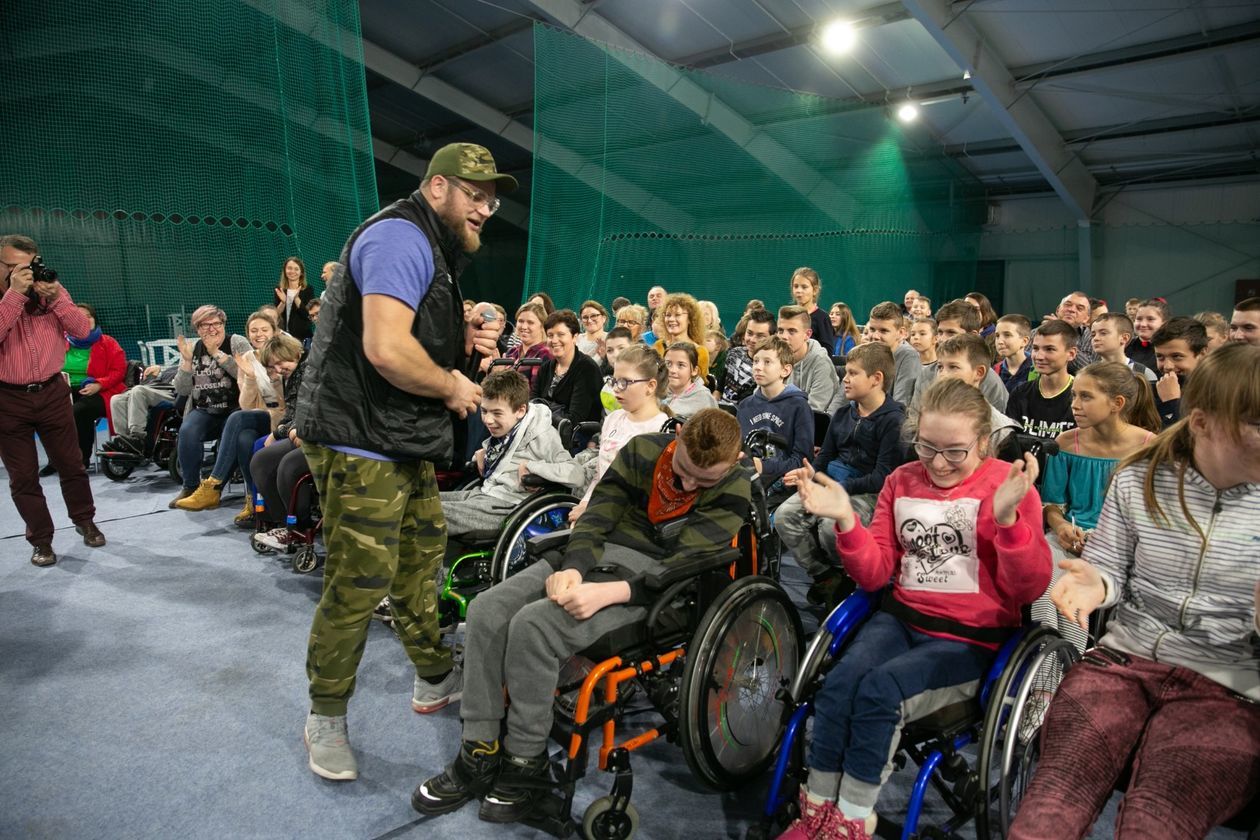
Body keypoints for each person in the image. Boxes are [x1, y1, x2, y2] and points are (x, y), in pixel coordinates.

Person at [412, 409, 751, 823]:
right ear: (676, 437)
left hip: (657, 588)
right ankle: (479, 749)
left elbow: (687, 562)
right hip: (594, 558)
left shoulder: (735, 486)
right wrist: (572, 567)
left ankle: (525, 763)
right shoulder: (643, 450)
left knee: (534, 626)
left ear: (732, 463)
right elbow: (597, 517)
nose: (689, 484)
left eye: (705, 479)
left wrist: (613, 592)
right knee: (487, 609)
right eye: (683, 468)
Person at [292, 141, 510, 782]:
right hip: (360, 440)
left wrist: (452, 340)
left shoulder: (428, 245)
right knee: (361, 578)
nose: (486, 209)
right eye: (475, 194)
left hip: (394, 437)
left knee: (421, 554)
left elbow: (401, 336)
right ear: (437, 187)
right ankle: (326, 714)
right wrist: (450, 384)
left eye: (492, 200)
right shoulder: (401, 239)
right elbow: (386, 349)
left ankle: (434, 675)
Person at [1009, 342, 1260, 840]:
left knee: (1157, 821)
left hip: (1231, 687)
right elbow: (1108, 570)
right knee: (1051, 805)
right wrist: (1095, 583)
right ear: (1204, 422)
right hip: (1124, 662)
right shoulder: (1138, 480)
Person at [781, 378, 1049, 840]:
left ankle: (850, 819)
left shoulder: (1008, 487)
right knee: (839, 684)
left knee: (881, 690)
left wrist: (1007, 521)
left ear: (983, 443)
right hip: (900, 620)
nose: (939, 463)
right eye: (926, 447)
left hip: (970, 638)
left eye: (955, 452)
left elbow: (1027, 589)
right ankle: (818, 809)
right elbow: (874, 574)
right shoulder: (901, 481)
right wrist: (847, 520)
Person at [1032, 362, 1159, 652]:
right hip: (1068, 540)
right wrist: (1062, 526)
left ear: (1117, 404)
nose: (1075, 405)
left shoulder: (1150, 448)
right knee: (1044, 586)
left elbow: (1153, 515)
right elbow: (1051, 505)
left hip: (1122, 546)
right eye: (1074, 396)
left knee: (1077, 592)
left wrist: (1102, 538)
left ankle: (1068, 666)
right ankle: (1047, 678)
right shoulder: (1064, 443)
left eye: (1085, 397)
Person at [0, 234, 105, 566]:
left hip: (52, 391)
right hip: (8, 398)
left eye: (30, 266)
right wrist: (15, 295)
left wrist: (58, 297)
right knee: (24, 476)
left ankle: (85, 521)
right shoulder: (10, 295)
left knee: (71, 464)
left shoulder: (49, 290)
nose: (27, 274)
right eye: (16, 267)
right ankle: (41, 540)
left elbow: (82, 332)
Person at [776, 342, 905, 609]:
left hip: (867, 493)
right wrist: (812, 478)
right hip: (835, 484)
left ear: (876, 379)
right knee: (784, 517)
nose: (844, 379)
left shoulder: (894, 421)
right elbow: (824, 458)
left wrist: (837, 488)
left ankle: (853, 575)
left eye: (853, 373)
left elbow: (881, 478)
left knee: (829, 527)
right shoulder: (843, 413)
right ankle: (827, 577)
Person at [440, 370, 576, 554]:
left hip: (507, 507)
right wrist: (483, 453)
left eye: (496, 413)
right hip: (484, 494)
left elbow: (575, 472)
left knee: (430, 514)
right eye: (484, 411)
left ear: (520, 410)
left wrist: (532, 467)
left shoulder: (541, 434)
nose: (488, 420)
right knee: (422, 500)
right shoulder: (510, 425)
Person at [175, 314, 291, 517]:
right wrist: (251, 378)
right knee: (243, 439)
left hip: (283, 418)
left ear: (275, 331)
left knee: (237, 420)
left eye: (264, 330)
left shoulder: (285, 354)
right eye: (254, 331)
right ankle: (252, 502)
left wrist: (218, 354)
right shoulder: (247, 358)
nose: (259, 334)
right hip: (248, 415)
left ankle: (213, 485)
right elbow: (246, 404)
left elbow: (283, 402)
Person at [566, 344, 669, 521]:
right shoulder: (613, 419)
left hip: (628, 519)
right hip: (598, 507)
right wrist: (585, 503)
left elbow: (645, 494)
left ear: (651, 386)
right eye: (614, 381)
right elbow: (600, 475)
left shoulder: (661, 429)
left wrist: (595, 512)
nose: (616, 389)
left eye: (625, 382)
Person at [169, 305, 253, 508]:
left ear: (223, 324)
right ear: (197, 329)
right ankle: (190, 486)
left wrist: (217, 353)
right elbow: (182, 388)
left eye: (216, 323)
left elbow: (248, 375)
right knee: (187, 430)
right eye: (205, 325)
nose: (212, 329)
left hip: (235, 409)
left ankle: (214, 489)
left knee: (232, 434)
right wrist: (187, 362)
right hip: (205, 409)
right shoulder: (194, 348)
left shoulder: (236, 342)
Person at [249, 334, 315, 548]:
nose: (278, 370)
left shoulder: (311, 368)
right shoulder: (293, 374)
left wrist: (280, 432)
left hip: (318, 433)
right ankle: (281, 522)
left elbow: (311, 409)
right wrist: (279, 430)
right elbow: (291, 412)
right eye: (272, 366)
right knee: (261, 460)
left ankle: (299, 527)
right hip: (298, 431)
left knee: (288, 466)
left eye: (280, 363)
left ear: (296, 353)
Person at [736, 336, 813, 505]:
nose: (758, 367)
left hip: (782, 484)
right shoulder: (745, 405)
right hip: (747, 480)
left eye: (767, 362)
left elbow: (801, 460)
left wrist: (764, 467)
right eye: (756, 361)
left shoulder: (799, 406)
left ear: (785, 370)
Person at [60, 303, 126, 471]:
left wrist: (99, 384)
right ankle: (56, 461)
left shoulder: (108, 343)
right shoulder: (59, 342)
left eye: (88, 316)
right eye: (79, 317)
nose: (84, 320)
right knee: (48, 412)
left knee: (79, 411)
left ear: (94, 320)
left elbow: (118, 371)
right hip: (64, 390)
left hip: (102, 392)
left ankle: (81, 460)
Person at [935, 334, 1022, 460]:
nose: (942, 375)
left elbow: (1009, 477)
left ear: (979, 372)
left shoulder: (999, 432)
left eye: (953, 367)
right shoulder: (930, 417)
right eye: (940, 367)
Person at [920, 301, 1009, 411]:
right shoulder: (926, 374)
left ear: (973, 335)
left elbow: (996, 424)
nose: (942, 339)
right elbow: (915, 418)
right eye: (940, 332)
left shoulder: (991, 382)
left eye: (951, 333)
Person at [1005, 319, 1078, 441]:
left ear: (1071, 353)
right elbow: (1010, 443)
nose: (1039, 356)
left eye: (1049, 349)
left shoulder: (1081, 397)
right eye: (1035, 348)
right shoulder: (1020, 393)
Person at [533, 309, 603, 425]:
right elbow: (532, 403)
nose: (554, 340)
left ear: (575, 337)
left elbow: (575, 418)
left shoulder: (587, 369)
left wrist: (542, 415)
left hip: (576, 437)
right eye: (550, 335)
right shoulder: (545, 368)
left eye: (561, 334)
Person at [103, 360, 180, 454]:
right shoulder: (169, 370)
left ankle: (138, 438)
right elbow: (149, 385)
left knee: (138, 391)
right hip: (155, 389)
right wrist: (153, 375)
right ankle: (124, 440)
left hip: (172, 393)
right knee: (116, 399)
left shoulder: (193, 368)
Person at [779, 304, 842, 415]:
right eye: (780, 331)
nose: (784, 337)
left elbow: (812, 414)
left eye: (792, 331)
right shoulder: (775, 357)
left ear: (807, 334)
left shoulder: (821, 364)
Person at [1152, 316, 1209, 427]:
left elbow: (1187, 441)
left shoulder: (1219, 391)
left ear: (1202, 353)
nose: (1167, 366)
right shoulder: (1154, 390)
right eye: (1160, 357)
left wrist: (1171, 402)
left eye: (1177, 356)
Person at [861, 301, 920, 407]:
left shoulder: (909, 357)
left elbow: (901, 405)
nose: (875, 336)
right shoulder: (864, 352)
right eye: (872, 329)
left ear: (901, 333)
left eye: (883, 331)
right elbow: (842, 398)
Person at [721, 308, 775, 403]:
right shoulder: (734, 353)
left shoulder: (772, 368)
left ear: (772, 337)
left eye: (760, 336)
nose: (752, 340)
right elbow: (721, 383)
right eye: (749, 333)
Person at [652, 293, 710, 378]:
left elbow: (699, 385)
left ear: (690, 319)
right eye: (668, 315)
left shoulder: (700, 352)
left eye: (677, 315)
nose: (671, 319)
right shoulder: (658, 346)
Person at [1090, 312, 1157, 385]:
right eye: (1093, 335)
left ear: (1124, 338)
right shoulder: (1088, 373)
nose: (1095, 338)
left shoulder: (1144, 374)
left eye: (1103, 333)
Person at [502, 302, 552, 390]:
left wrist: (500, 374)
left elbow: (533, 391)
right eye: (520, 321)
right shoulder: (512, 351)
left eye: (530, 322)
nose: (524, 327)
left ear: (542, 326)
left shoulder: (545, 354)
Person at [662, 341, 718, 418]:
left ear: (694, 371)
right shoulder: (654, 393)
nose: (672, 370)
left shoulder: (704, 400)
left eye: (681, 365)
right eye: (668, 364)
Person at [791, 267, 835, 353]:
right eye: (796, 286)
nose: (799, 290)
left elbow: (827, 352)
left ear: (815, 290)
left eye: (804, 287)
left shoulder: (822, 318)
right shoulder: (788, 315)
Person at [275, 256, 315, 342]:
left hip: (302, 336)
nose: (292, 271)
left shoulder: (308, 289)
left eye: (296, 269)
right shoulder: (279, 289)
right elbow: (275, 315)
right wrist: (283, 302)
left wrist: (296, 298)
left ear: (301, 273)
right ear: (285, 271)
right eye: (289, 268)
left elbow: (308, 315)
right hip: (283, 336)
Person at [993, 313, 1035, 394]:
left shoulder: (1038, 371)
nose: (1000, 341)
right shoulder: (994, 371)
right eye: (997, 336)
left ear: (1024, 341)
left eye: (1007, 335)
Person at [597, 326, 634, 413]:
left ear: (633, 348)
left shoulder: (643, 382)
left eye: (621, 348)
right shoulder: (605, 383)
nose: (616, 355)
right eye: (610, 350)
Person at [1126, 297, 1168, 371]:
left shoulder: (1169, 349)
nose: (1143, 324)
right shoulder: (1125, 346)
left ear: (1164, 323)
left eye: (1150, 319)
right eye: (1139, 319)